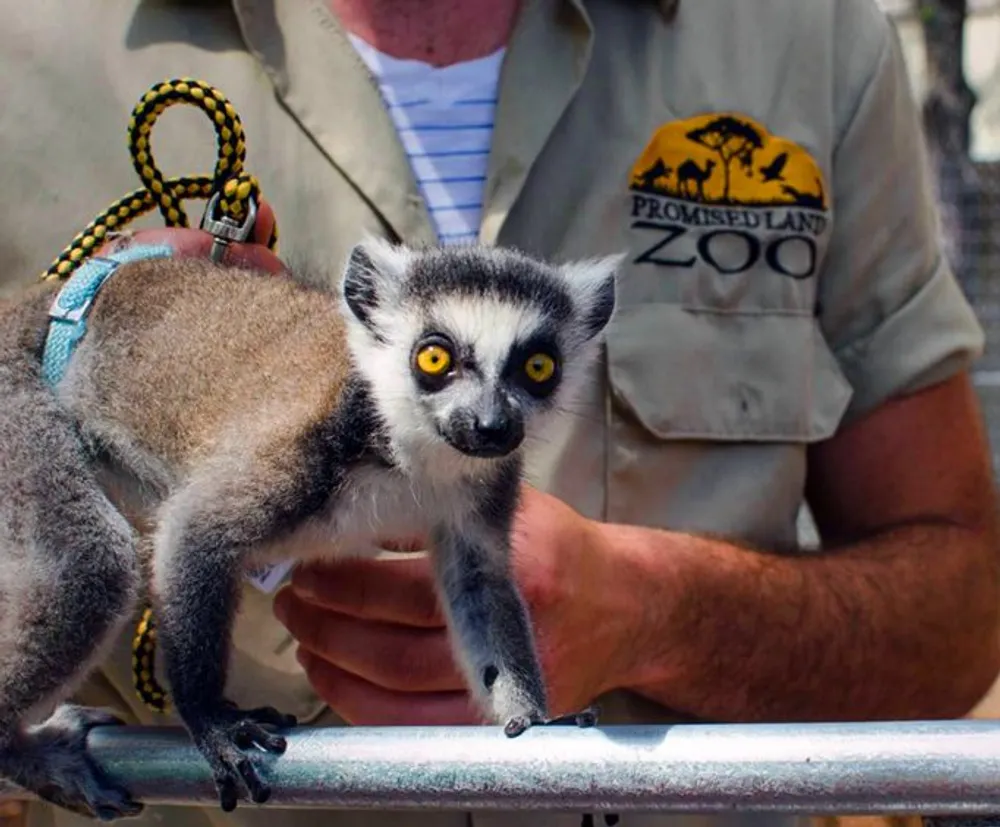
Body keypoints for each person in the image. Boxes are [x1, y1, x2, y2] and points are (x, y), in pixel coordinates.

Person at [1, 1, 998, 827]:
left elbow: (958, 623)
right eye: (441, 365)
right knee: (96, 564)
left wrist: (656, 613)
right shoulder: (27, 42)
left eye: (526, 370)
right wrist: (207, 710)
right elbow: (197, 530)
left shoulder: (808, 41)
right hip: (79, 449)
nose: (485, 411)